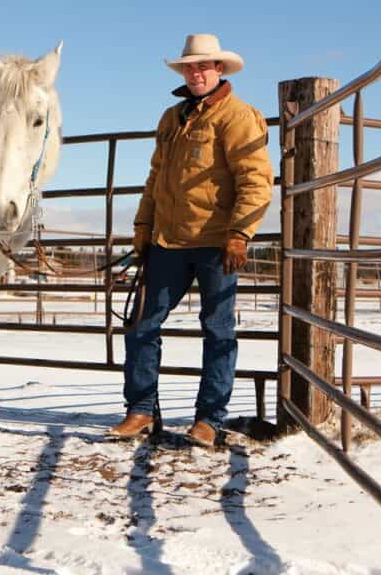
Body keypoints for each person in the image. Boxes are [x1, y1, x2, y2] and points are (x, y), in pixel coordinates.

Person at [108, 33, 273, 447]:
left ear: (219, 69)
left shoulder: (238, 116)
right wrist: (143, 227)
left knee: (218, 331)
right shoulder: (171, 119)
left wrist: (240, 232)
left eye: (204, 65)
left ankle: (209, 420)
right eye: (190, 66)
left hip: (216, 243)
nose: (196, 72)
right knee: (141, 325)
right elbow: (155, 179)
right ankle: (141, 410)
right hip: (167, 241)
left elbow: (255, 179)